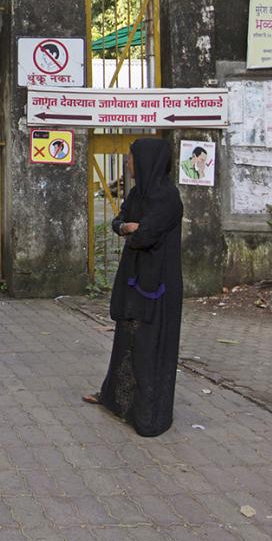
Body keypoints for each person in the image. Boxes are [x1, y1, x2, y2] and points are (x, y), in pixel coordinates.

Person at [84, 138, 183, 436]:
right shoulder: (138, 194)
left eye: (131, 158)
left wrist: (133, 229)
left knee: (148, 346)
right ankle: (116, 400)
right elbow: (119, 222)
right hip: (134, 279)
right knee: (126, 340)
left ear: (147, 161)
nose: (127, 163)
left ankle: (148, 414)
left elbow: (145, 236)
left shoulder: (168, 198)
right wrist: (128, 227)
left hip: (159, 286)